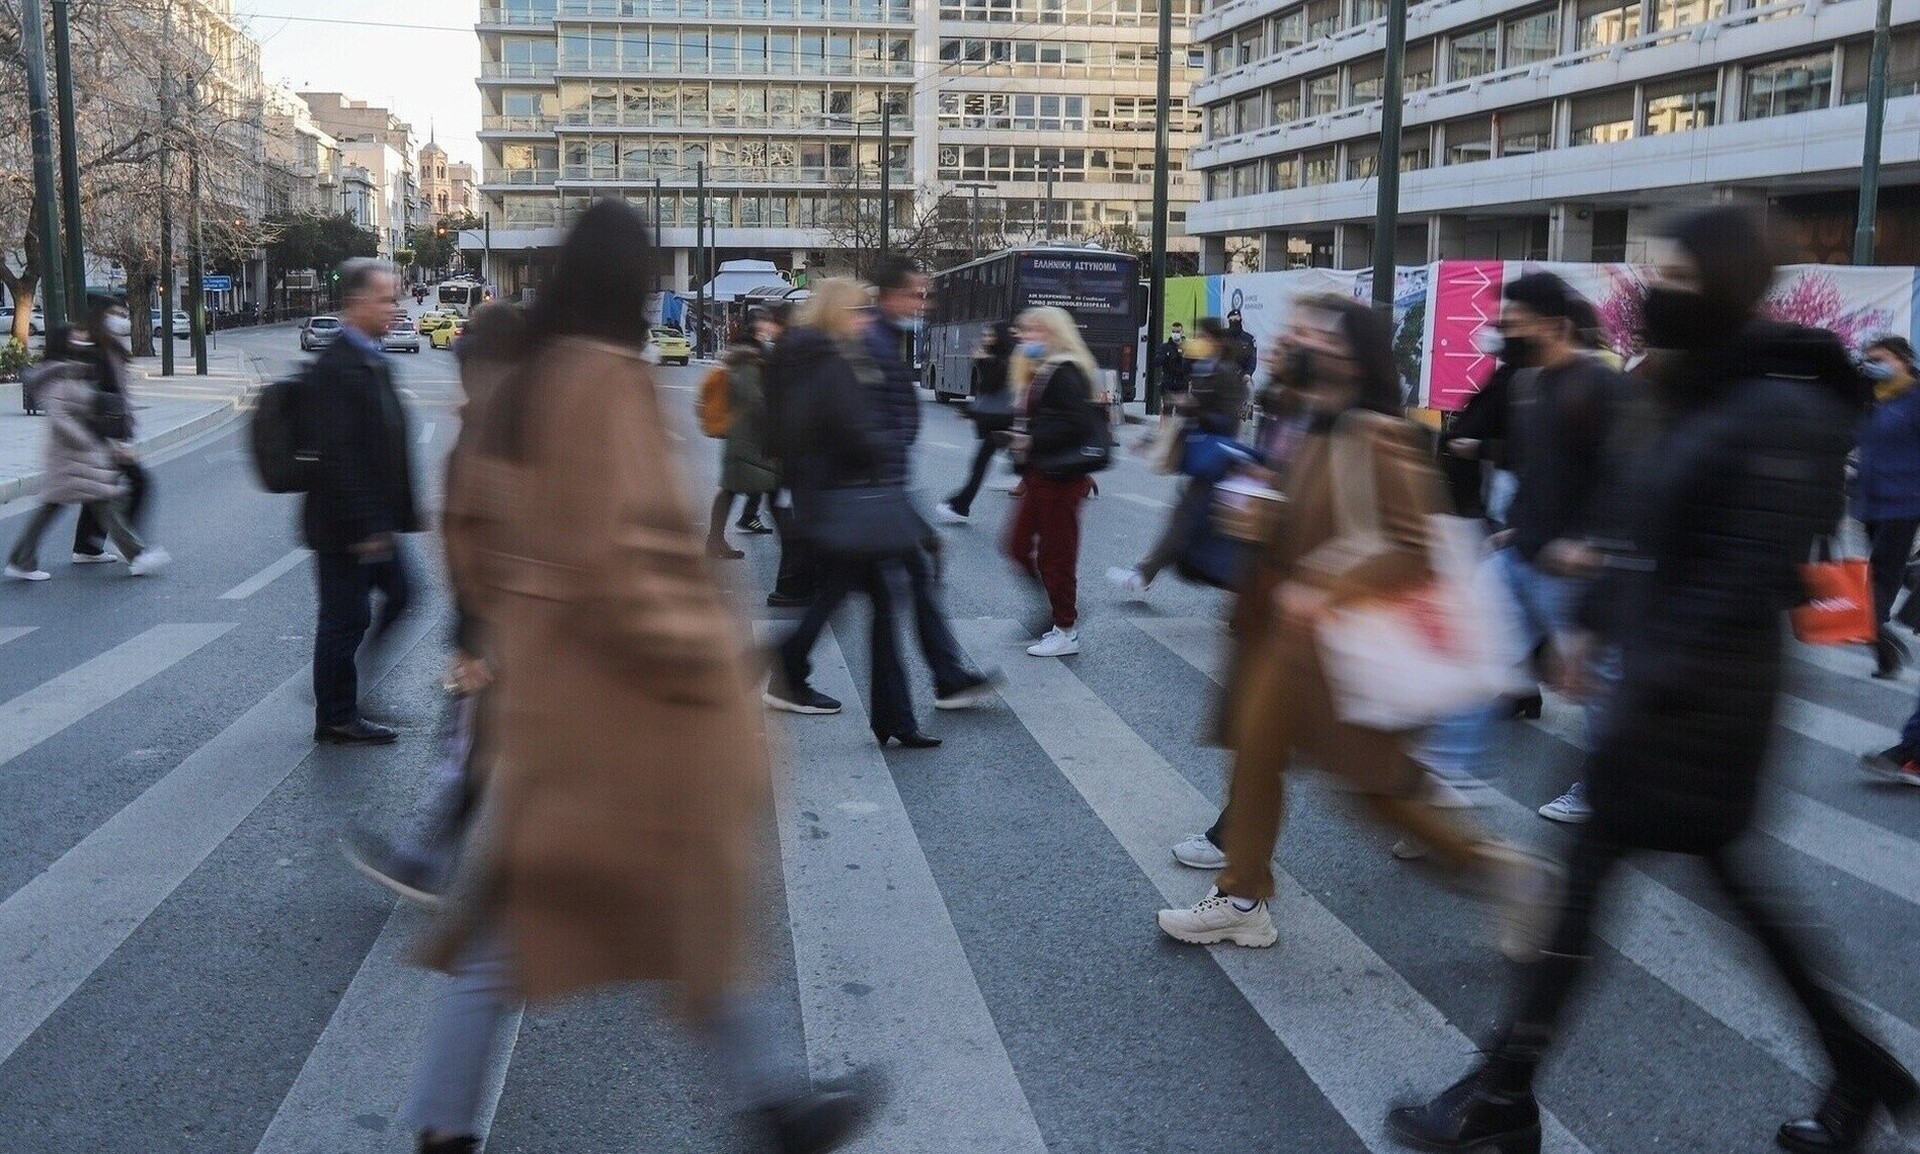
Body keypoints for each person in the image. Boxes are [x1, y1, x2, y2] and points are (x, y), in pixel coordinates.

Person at [1387, 205, 1913, 1154]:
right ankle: (1859, 1072)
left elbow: (1736, 574)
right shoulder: (1698, 386)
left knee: (1604, 885)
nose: (1654, 293)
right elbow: (1640, 526)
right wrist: (1590, 627)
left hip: (1703, 700)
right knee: (1736, 899)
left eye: (1675, 276)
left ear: (1721, 282)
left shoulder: (1779, 404)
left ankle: (1502, 1094)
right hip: (1676, 688)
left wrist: (1639, 675)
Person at [406, 202, 876, 1154]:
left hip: (550, 692)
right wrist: (703, 657)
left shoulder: (518, 382)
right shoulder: (603, 380)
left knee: (554, 908)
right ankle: (776, 1107)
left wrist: (509, 622)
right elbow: (628, 553)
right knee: (672, 893)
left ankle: (771, 1104)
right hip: (624, 699)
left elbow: (469, 529)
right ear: (631, 282)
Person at [1154, 294, 1553, 956]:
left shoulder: (1378, 433)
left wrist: (1328, 584)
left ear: (1351, 352)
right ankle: (1242, 897)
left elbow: (1413, 547)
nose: (1297, 339)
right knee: (1253, 762)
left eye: (1316, 333)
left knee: (1377, 794)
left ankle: (1503, 872)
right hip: (1283, 643)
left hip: (1341, 649)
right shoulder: (1311, 421)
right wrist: (1264, 518)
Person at [1419, 272, 1635, 824]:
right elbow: (1540, 473)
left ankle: (1605, 787)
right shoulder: (1530, 384)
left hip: (1571, 566)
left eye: (1517, 325)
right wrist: (1515, 527)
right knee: (1475, 647)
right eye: (1504, 322)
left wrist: (1594, 544)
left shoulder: (1599, 387)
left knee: (1596, 685)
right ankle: (1444, 774)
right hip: (1522, 553)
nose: (1505, 333)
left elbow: (1625, 478)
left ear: (1557, 326)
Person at [341, 304, 525, 904]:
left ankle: (423, 862)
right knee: (484, 742)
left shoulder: (491, 431)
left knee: (468, 743)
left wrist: (474, 637)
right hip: (523, 617)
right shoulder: (518, 422)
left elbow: (485, 538)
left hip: (501, 621)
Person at [765, 278, 995, 742]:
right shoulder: (830, 362)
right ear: (836, 313)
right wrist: (884, 446)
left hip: (842, 500)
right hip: (850, 500)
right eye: (855, 310)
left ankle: (892, 716)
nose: (862, 319)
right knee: (878, 597)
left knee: (872, 599)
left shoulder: (806, 356)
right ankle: (880, 709)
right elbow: (852, 431)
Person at [305, 258, 420, 746]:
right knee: (344, 618)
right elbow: (339, 456)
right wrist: (370, 525)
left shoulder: (370, 357)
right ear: (356, 303)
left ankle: (346, 687)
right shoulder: (338, 367)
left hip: (372, 519)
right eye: (387, 299)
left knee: (400, 595)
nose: (395, 308)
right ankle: (335, 713)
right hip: (347, 525)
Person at [5, 311, 168, 583]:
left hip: (78, 456)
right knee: (96, 502)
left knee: (67, 505)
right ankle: (137, 555)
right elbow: (60, 418)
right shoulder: (56, 376)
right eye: (74, 336)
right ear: (63, 343)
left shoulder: (71, 371)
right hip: (70, 454)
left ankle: (24, 560)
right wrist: (89, 440)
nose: (82, 338)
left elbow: (89, 403)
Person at [1107, 316, 1250, 601]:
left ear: (1215, 340)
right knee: (1194, 525)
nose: (1197, 340)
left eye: (1203, 336)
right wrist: (1152, 438)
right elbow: (1182, 417)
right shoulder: (1203, 368)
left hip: (1215, 461)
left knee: (1186, 523)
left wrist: (1193, 408)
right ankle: (1146, 575)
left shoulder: (1224, 372)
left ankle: (1144, 575)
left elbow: (1228, 422)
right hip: (1202, 459)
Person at [1004, 306, 1108, 658]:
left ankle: (1065, 627)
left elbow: (1076, 424)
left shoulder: (1066, 371)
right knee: (1017, 546)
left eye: (1035, 331)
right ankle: (1055, 612)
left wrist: (1033, 438)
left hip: (1061, 477)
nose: (1025, 338)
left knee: (1057, 555)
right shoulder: (1043, 370)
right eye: (1025, 331)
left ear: (1054, 334)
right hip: (1041, 474)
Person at [1851, 335, 1920, 678]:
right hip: (1871, 503)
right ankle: (1884, 646)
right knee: (1879, 575)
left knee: (1879, 577)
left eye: (1880, 358)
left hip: (1904, 503)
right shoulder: (1876, 399)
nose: (1872, 364)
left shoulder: (1915, 399)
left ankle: (1882, 644)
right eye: (1869, 359)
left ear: (1903, 361)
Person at [73, 297, 150, 563]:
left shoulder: (111, 347)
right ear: (101, 317)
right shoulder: (95, 351)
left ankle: (87, 547)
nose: (121, 319)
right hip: (103, 434)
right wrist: (114, 440)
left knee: (98, 491)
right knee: (137, 483)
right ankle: (128, 542)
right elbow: (97, 399)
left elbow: (120, 392)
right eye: (115, 314)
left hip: (110, 432)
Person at [707, 306, 786, 558]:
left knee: (732, 489)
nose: (767, 326)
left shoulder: (750, 355)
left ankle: (716, 540)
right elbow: (753, 399)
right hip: (747, 439)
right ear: (755, 326)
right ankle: (792, 553)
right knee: (764, 488)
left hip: (743, 439)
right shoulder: (748, 357)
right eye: (764, 321)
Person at [936, 320, 1017, 524]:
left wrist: (983, 361)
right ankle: (960, 504)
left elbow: (990, 388)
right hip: (998, 421)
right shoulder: (997, 359)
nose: (986, 339)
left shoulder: (1005, 361)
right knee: (984, 464)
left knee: (980, 464)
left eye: (991, 336)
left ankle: (961, 505)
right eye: (986, 335)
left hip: (1002, 422)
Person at [1157, 322, 1191, 413]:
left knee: (1181, 412)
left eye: (1178, 331)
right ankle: (1168, 426)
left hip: (1182, 383)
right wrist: (1165, 356)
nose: (1175, 334)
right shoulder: (1165, 347)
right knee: (1167, 410)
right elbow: (1156, 362)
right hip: (1168, 383)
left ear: (1182, 332)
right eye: (1173, 331)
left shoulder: (1187, 347)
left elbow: (1191, 364)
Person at [1222, 309, 1258, 377]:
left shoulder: (1249, 338)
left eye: (1236, 319)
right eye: (1231, 320)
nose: (1234, 322)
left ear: (1240, 320)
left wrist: (1248, 374)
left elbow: (1252, 359)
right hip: (1224, 376)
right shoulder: (1223, 336)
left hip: (1242, 377)